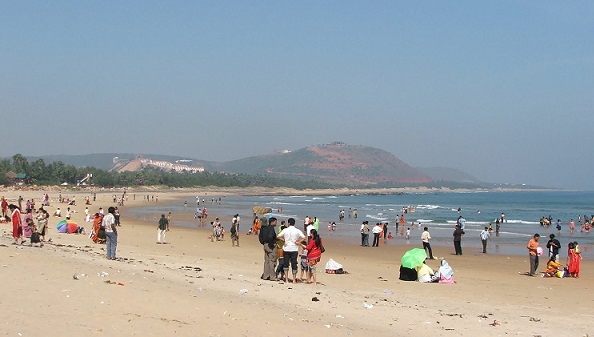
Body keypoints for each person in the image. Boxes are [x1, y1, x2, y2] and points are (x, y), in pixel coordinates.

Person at [276, 218, 306, 283]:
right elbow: (304, 237)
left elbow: (278, 236)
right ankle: (294, 279)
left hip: (286, 248)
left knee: (286, 264)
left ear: (289, 223)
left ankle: (286, 279)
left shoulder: (285, 230)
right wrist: (298, 242)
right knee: (294, 264)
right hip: (294, 249)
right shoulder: (297, 230)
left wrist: (284, 240)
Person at [259, 217, 279, 281]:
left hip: (265, 245)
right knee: (272, 261)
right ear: (272, 222)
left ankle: (266, 275)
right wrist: (271, 244)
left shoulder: (264, 228)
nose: (276, 223)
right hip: (270, 245)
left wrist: (264, 243)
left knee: (267, 261)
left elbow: (260, 237)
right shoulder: (271, 228)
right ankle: (272, 276)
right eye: (275, 222)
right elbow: (270, 237)